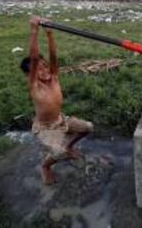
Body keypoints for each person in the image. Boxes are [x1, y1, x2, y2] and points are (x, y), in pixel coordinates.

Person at [20, 17, 93, 185]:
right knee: (58, 153)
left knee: (88, 128)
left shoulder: (53, 78)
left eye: (45, 66)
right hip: (45, 128)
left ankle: (69, 146)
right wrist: (34, 31)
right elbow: (34, 57)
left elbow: (53, 56)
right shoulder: (35, 86)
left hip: (61, 120)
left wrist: (50, 33)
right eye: (38, 69)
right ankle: (46, 167)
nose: (44, 70)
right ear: (30, 75)